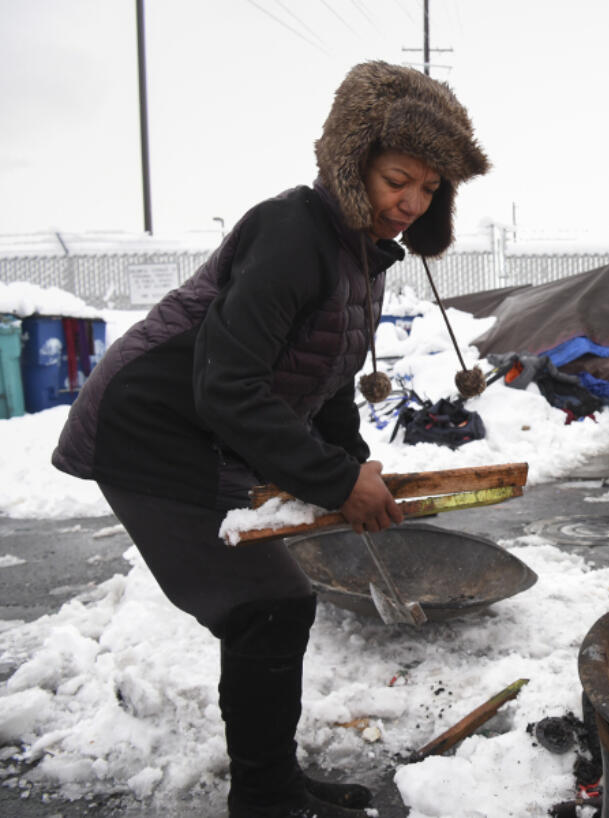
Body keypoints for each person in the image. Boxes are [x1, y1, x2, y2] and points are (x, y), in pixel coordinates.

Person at [51, 61, 489, 818]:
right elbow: (227, 385)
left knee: (273, 607)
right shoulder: (292, 233)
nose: (410, 203)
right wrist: (335, 481)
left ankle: (271, 784)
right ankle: (265, 797)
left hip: (199, 427)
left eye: (428, 188)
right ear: (352, 165)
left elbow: (320, 383)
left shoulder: (361, 256)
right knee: (267, 605)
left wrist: (350, 466)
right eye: (396, 179)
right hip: (148, 428)